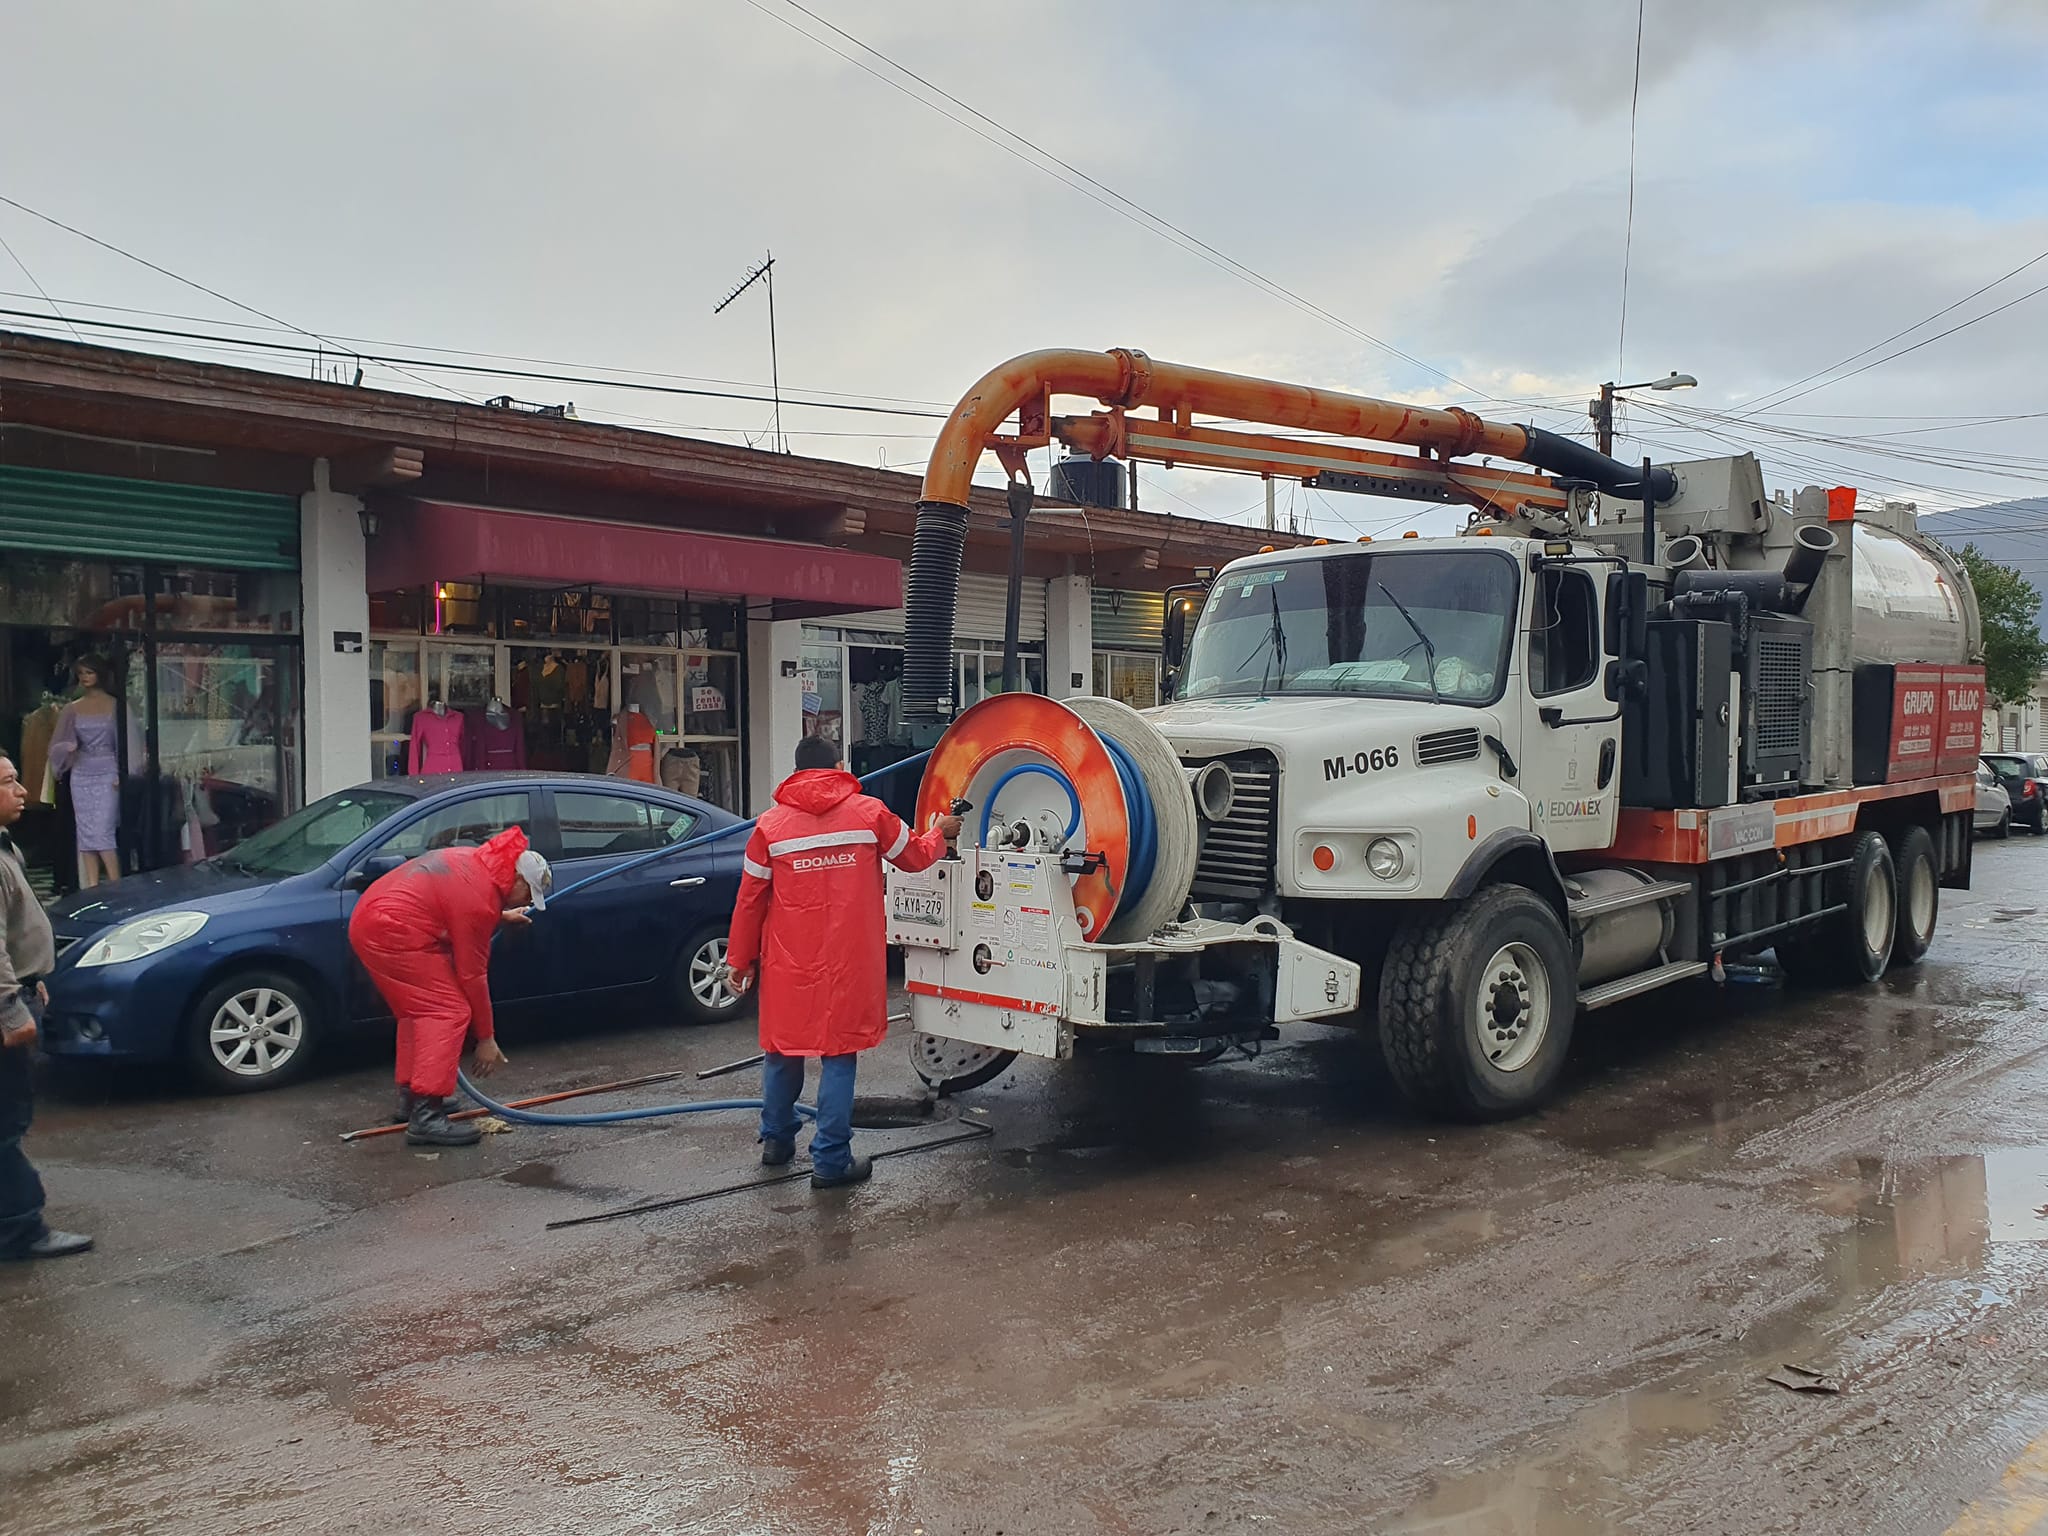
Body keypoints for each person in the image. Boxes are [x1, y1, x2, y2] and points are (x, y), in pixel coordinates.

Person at [725, 735, 962, 1189]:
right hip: (849, 962)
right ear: (837, 765)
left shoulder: (770, 828)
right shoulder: (868, 813)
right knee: (838, 1055)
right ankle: (831, 1161)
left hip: (789, 964)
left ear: (794, 773)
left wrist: (740, 960)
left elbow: (749, 900)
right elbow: (913, 856)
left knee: (782, 1052)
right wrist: (940, 833)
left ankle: (776, 1143)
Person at [348, 825, 553, 1147]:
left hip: (374, 921)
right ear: (515, 879)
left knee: (419, 1012)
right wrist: (486, 1038)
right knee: (447, 1012)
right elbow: (473, 975)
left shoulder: (475, 863)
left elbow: (446, 900)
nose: (528, 900)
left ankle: (412, 1098)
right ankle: (426, 1117)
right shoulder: (479, 899)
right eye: (528, 892)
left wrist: (498, 916)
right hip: (393, 931)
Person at [0, 752, 92, 1261]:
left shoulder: (5, 843)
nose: (21, 791)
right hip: (6, 1011)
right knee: (5, 1124)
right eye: (10, 782)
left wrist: (36, 979)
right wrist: (10, 1012)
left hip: (24, 986)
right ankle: (20, 1227)